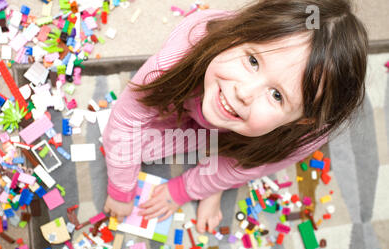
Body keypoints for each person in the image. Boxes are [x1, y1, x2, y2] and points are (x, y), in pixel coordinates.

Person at [102, 0, 368, 233]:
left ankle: (215, 176)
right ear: (239, 34)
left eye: (277, 95)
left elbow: (241, 166)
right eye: (252, 61)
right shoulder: (181, 52)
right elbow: (127, 118)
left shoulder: (301, 137)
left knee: (237, 165)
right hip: (189, 98)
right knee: (138, 147)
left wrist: (183, 190)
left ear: (302, 121)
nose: (243, 92)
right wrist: (121, 190)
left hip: (248, 134)